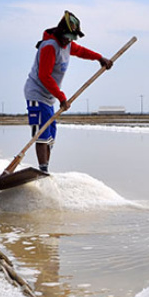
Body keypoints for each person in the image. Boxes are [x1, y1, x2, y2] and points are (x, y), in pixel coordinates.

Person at [23, 10, 113, 174]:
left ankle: (45, 169)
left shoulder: (67, 44)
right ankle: (43, 170)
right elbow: (44, 76)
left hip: (49, 97)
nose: (70, 40)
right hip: (36, 93)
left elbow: (82, 51)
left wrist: (100, 58)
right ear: (61, 32)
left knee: (51, 135)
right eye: (68, 37)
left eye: (73, 38)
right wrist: (62, 97)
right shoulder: (50, 46)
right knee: (41, 134)